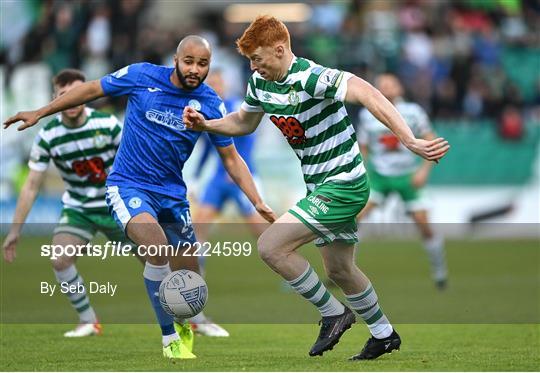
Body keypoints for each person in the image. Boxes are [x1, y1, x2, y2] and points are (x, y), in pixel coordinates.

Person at [183, 16, 449, 360]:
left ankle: (333, 313)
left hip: (345, 183)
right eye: (250, 60)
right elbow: (243, 122)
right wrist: (207, 124)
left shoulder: (311, 76)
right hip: (319, 185)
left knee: (271, 246)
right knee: (339, 269)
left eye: (258, 58)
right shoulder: (260, 84)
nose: (253, 66)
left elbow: (368, 93)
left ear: (280, 50)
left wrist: (409, 139)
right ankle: (384, 334)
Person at [4, 35, 276, 360]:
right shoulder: (141, 76)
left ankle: (185, 321)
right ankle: (169, 339)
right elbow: (91, 89)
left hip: (172, 194)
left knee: (188, 276)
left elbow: (230, 158)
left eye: (202, 64)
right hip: (128, 186)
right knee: (156, 249)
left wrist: (256, 199)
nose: (194, 69)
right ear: (175, 59)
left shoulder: (209, 103)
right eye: (188, 61)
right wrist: (42, 111)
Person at [2, 69, 129, 337]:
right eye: (64, 95)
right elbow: (31, 186)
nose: (72, 100)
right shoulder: (48, 135)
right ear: (54, 98)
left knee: (158, 257)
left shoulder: (107, 125)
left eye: (77, 94)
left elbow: (135, 160)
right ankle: (88, 321)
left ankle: (193, 317)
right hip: (79, 208)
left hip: (116, 205)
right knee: (59, 259)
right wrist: (15, 231)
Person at [189, 70, 268, 337]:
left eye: (218, 81)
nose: (215, 86)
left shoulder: (235, 106)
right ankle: (196, 274)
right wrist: (199, 178)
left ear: (226, 83)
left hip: (238, 174)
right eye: (211, 82)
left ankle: (289, 264)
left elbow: (246, 139)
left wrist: (235, 170)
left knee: (259, 228)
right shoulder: (207, 108)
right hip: (217, 177)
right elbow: (203, 147)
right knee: (199, 224)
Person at [356, 74, 448, 289]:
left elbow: (431, 139)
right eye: (382, 85)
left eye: (390, 84)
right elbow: (364, 146)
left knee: (424, 226)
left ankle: (439, 271)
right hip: (379, 176)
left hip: (408, 175)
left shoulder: (413, 112)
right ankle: (342, 271)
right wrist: (366, 171)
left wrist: (424, 170)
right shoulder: (367, 113)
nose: (386, 87)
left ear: (400, 88)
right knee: (355, 219)